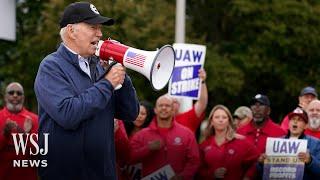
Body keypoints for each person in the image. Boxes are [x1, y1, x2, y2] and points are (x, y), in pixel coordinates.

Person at [34, 2, 139, 180]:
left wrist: (121, 73)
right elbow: (67, 114)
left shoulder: (100, 67)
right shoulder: (51, 67)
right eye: (93, 27)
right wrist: (107, 83)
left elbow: (130, 112)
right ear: (71, 31)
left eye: (100, 28)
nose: (100, 33)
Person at [129, 95, 200, 179]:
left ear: (173, 110)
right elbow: (129, 158)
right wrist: (148, 148)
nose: (163, 108)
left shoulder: (187, 134)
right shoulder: (141, 135)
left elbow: (194, 161)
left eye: (167, 106)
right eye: (160, 105)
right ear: (155, 110)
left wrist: (182, 176)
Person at [198, 105, 259, 180]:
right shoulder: (203, 146)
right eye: (217, 117)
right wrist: (211, 174)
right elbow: (197, 170)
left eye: (224, 117)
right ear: (211, 122)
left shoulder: (241, 142)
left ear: (229, 121)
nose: (221, 120)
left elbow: (256, 160)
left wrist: (248, 177)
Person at [258, 107, 320, 179]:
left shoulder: (316, 144)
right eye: (293, 119)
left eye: (299, 120)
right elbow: (262, 172)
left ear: (305, 126)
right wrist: (261, 163)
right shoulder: (276, 143)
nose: (295, 122)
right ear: (289, 123)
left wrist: (310, 161)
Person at [0, 82, 38, 180]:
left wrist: (26, 135)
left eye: (19, 93)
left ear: (23, 97)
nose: (15, 95)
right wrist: (5, 134)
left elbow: (39, 154)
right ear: (5, 97)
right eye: (11, 92)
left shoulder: (35, 120)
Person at [173, 68, 208, 133]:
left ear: (179, 105)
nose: (165, 107)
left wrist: (202, 82)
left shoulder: (187, 117)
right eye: (163, 105)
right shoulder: (159, 120)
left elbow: (202, 103)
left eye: (175, 102)